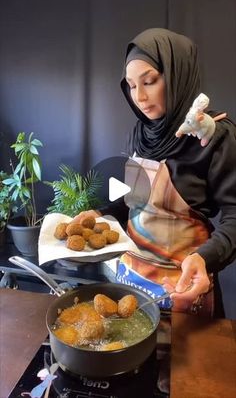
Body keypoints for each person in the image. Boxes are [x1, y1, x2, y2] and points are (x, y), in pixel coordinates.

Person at [74, 28, 236, 317]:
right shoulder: (140, 134)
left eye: (149, 81)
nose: (140, 96)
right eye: (132, 86)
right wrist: (101, 214)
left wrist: (205, 258)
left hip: (186, 287)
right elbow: (137, 203)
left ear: (176, 74)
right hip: (131, 284)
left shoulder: (213, 136)